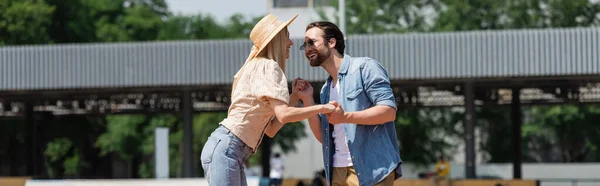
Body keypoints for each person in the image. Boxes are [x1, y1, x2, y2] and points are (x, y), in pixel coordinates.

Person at [200, 14, 337, 186]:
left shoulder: (257, 65)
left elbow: (271, 129)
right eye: (287, 37)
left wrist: (294, 96)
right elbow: (284, 115)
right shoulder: (269, 66)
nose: (291, 43)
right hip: (228, 149)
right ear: (277, 39)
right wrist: (322, 108)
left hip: (228, 149)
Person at [293, 21, 402, 186]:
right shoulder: (325, 90)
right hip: (337, 173)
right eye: (305, 45)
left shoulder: (364, 68)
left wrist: (345, 116)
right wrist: (308, 99)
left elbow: (388, 111)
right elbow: (324, 137)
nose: (307, 49)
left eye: (312, 42)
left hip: (371, 170)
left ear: (332, 42)